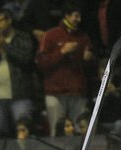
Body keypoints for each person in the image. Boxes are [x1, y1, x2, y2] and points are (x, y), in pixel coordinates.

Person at [35, 3, 94, 137]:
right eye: (76, 16)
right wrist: (61, 51)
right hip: (55, 91)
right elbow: (41, 62)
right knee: (57, 132)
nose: (78, 19)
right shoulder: (51, 35)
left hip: (77, 91)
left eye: (80, 16)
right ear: (66, 16)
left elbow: (90, 67)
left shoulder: (83, 37)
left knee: (80, 131)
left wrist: (88, 59)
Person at [0, 8, 37, 136]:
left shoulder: (22, 37)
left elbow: (26, 59)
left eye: (0, 21)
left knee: (24, 133)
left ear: (9, 20)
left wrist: (6, 46)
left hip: (20, 95)